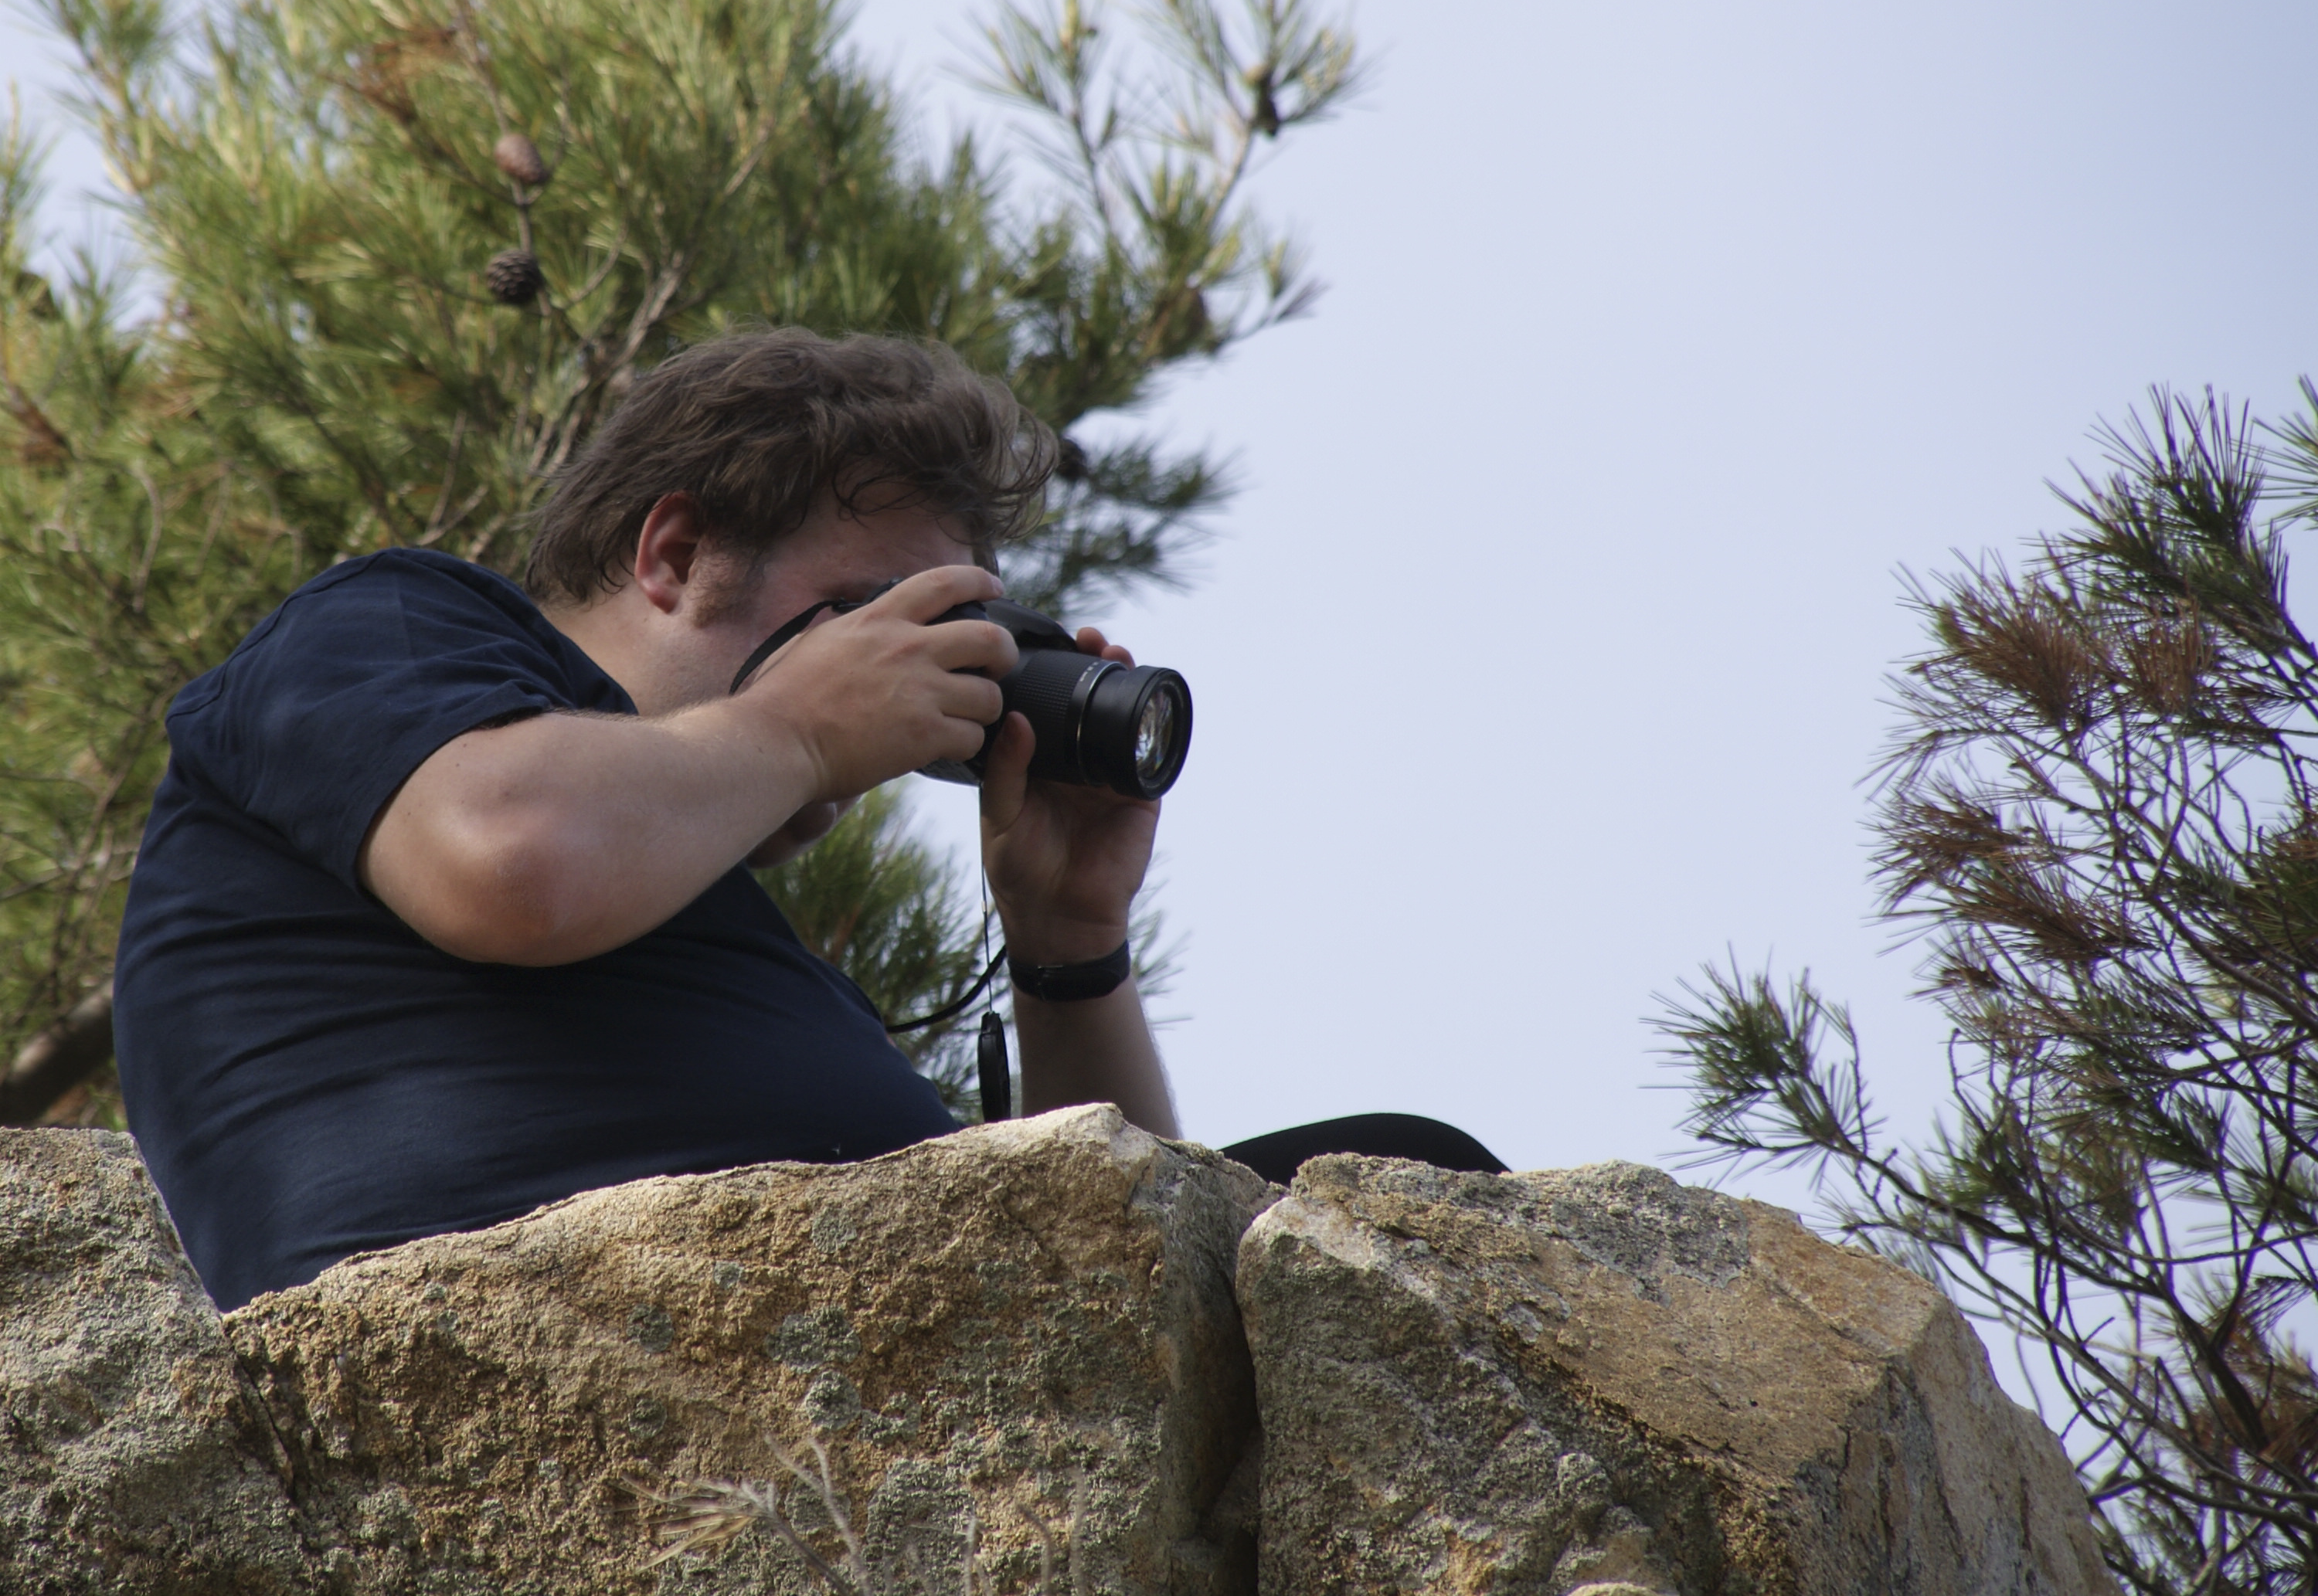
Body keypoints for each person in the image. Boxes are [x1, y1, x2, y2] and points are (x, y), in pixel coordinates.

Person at [114, 329, 1495, 1312]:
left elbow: (1140, 1242)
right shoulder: (400, 625)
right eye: (866, 618)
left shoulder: (724, 931)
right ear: (673, 555)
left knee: (1391, 1183)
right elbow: (509, 864)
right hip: (528, 1344)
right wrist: (797, 726)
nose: (903, 685)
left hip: (840, 1357)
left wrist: (1071, 946)